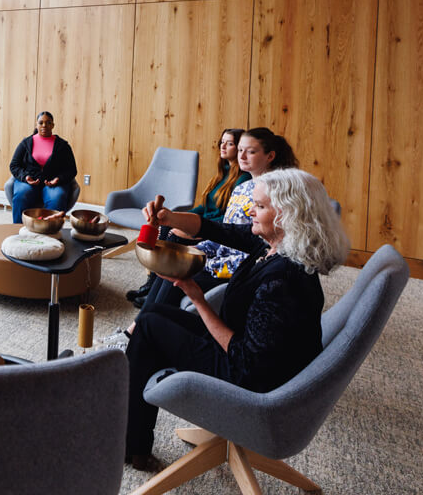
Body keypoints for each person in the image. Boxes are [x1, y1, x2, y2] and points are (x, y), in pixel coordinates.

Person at [122, 169, 348, 470]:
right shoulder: (275, 247)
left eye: (261, 206)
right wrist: (170, 218)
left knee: (149, 328)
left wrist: (198, 298)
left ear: (288, 214)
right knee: (153, 313)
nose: (249, 210)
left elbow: (246, 361)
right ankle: (131, 436)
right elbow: (217, 229)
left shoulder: (283, 281)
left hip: (251, 382)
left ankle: (128, 442)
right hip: (250, 351)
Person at [106, 127, 298, 348]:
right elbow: (228, 230)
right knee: (171, 263)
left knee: (178, 273)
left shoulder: (277, 193)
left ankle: (134, 335)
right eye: (241, 150)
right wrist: (172, 219)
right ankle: (135, 330)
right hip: (220, 251)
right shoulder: (242, 188)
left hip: (238, 264)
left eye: (250, 152)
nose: (241, 156)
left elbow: (254, 243)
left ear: (270, 156)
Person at [126, 127, 248, 304]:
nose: (223, 146)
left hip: (215, 231)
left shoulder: (242, 180)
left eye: (229, 143)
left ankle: (156, 291)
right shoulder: (222, 174)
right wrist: (179, 217)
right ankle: (151, 284)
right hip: (206, 222)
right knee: (166, 226)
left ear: (239, 148)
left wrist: (192, 227)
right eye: (222, 142)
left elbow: (228, 221)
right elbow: (204, 207)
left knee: (173, 237)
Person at [8, 111, 79, 222]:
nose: (44, 125)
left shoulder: (63, 146)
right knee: (21, 195)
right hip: (28, 181)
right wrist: (25, 177)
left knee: (57, 197)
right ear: (37, 124)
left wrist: (58, 179)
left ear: (53, 125)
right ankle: (19, 230)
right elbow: (14, 165)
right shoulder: (25, 143)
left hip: (54, 183)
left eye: (48, 123)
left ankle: (49, 232)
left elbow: (71, 170)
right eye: (41, 123)